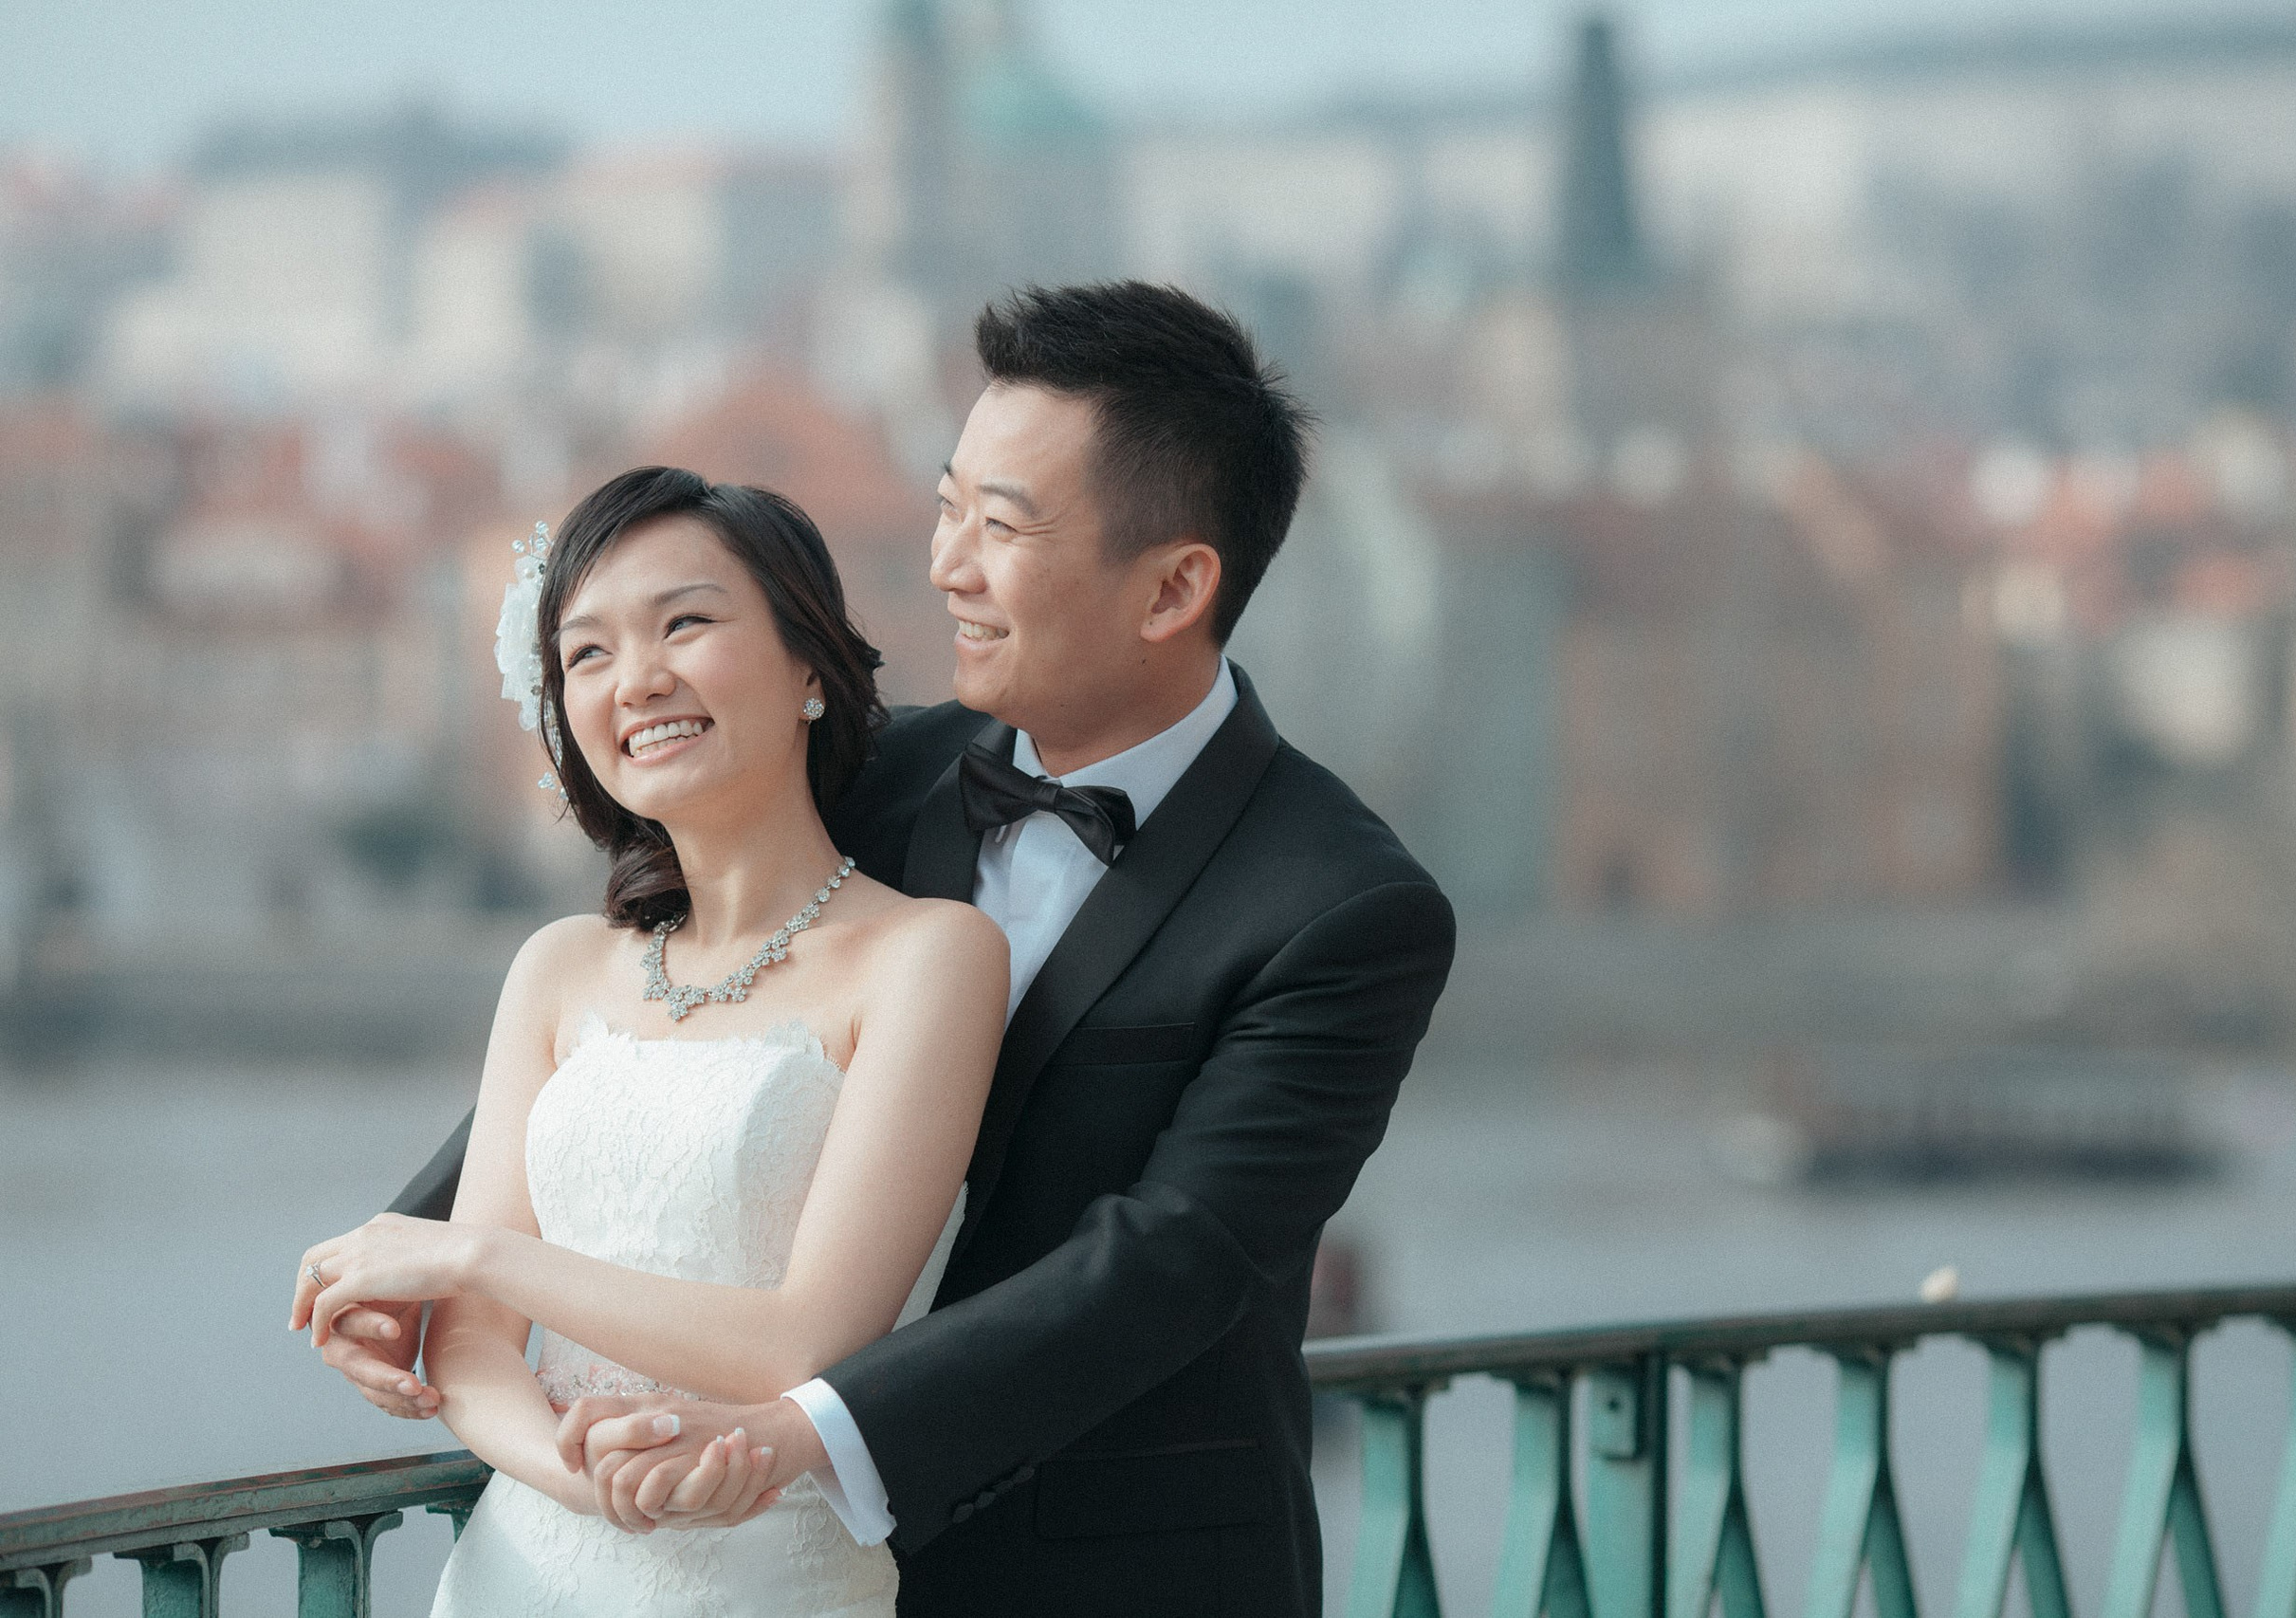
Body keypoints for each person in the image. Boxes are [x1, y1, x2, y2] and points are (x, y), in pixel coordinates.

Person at [321, 281, 1457, 1618]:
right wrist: (420, 1243)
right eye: (947, 505)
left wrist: (808, 1434)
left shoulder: (1343, 904)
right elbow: (658, 1024)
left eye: (1005, 526)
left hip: (1115, 1566)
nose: (947, 565)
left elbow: (1167, 1258)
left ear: (1174, 587)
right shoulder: (872, 768)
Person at [293, 466, 1008, 1616]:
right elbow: (470, 1355)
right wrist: (590, 1484)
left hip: (770, 1570)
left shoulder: (933, 955)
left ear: (809, 664)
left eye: (685, 623)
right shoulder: (558, 967)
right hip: (522, 1567)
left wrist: (473, 1256)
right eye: (586, 654)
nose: (638, 680)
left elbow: (810, 1335)